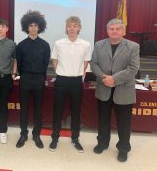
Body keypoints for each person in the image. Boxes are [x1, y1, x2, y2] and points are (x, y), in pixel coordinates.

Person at [90, 18, 140, 162]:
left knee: (124, 123)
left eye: (118, 29)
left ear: (123, 31)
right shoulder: (99, 45)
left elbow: (133, 68)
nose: (114, 31)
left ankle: (123, 148)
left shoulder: (133, 46)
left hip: (124, 89)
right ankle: (102, 143)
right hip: (104, 88)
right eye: (111, 29)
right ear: (107, 31)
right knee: (103, 120)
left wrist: (114, 79)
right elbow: (94, 64)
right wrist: (105, 78)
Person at [49, 16, 91, 153]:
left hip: (76, 81)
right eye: (69, 26)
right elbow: (54, 59)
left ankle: (75, 138)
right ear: (66, 28)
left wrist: (78, 73)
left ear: (79, 28)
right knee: (57, 111)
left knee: (76, 111)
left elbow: (86, 62)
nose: (71, 28)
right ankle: (55, 137)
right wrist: (60, 71)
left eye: (74, 25)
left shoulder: (85, 44)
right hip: (61, 80)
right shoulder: (58, 43)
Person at [15, 10, 50, 149]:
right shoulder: (21, 45)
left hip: (39, 80)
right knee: (24, 108)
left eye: (36, 25)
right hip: (25, 79)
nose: (33, 28)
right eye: (31, 25)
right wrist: (23, 75)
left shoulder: (45, 45)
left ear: (40, 27)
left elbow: (45, 62)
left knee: (38, 108)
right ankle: (23, 134)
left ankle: (36, 134)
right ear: (26, 27)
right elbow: (19, 63)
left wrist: (41, 77)